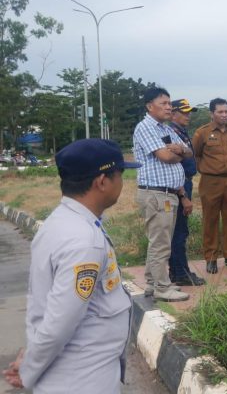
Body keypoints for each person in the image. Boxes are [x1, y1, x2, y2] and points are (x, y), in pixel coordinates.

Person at [2, 139, 141, 392]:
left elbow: (46, 305)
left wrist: (31, 356)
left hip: (75, 372)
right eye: (120, 174)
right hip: (82, 379)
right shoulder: (83, 241)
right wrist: (29, 371)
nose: (123, 181)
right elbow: (59, 323)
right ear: (102, 181)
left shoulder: (61, 222)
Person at [133, 87, 192, 302]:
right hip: (156, 195)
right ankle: (162, 287)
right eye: (164, 103)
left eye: (169, 103)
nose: (169, 107)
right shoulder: (146, 127)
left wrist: (178, 150)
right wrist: (176, 153)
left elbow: (188, 151)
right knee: (160, 243)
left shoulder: (165, 128)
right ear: (150, 106)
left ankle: (152, 282)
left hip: (169, 193)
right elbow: (166, 157)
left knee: (159, 240)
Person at [192, 98, 227, 274]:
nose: (224, 115)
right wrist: (208, 169)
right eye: (220, 112)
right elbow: (196, 155)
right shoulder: (202, 133)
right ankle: (211, 257)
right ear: (212, 114)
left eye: (226, 111)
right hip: (210, 182)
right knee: (210, 219)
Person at [167, 99, 206, 286]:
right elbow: (174, 166)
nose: (188, 115)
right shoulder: (172, 134)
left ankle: (177, 272)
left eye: (189, 112)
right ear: (173, 113)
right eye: (184, 112)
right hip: (179, 185)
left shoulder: (181, 133)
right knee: (179, 232)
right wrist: (183, 196)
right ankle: (181, 273)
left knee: (179, 231)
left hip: (185, 183)